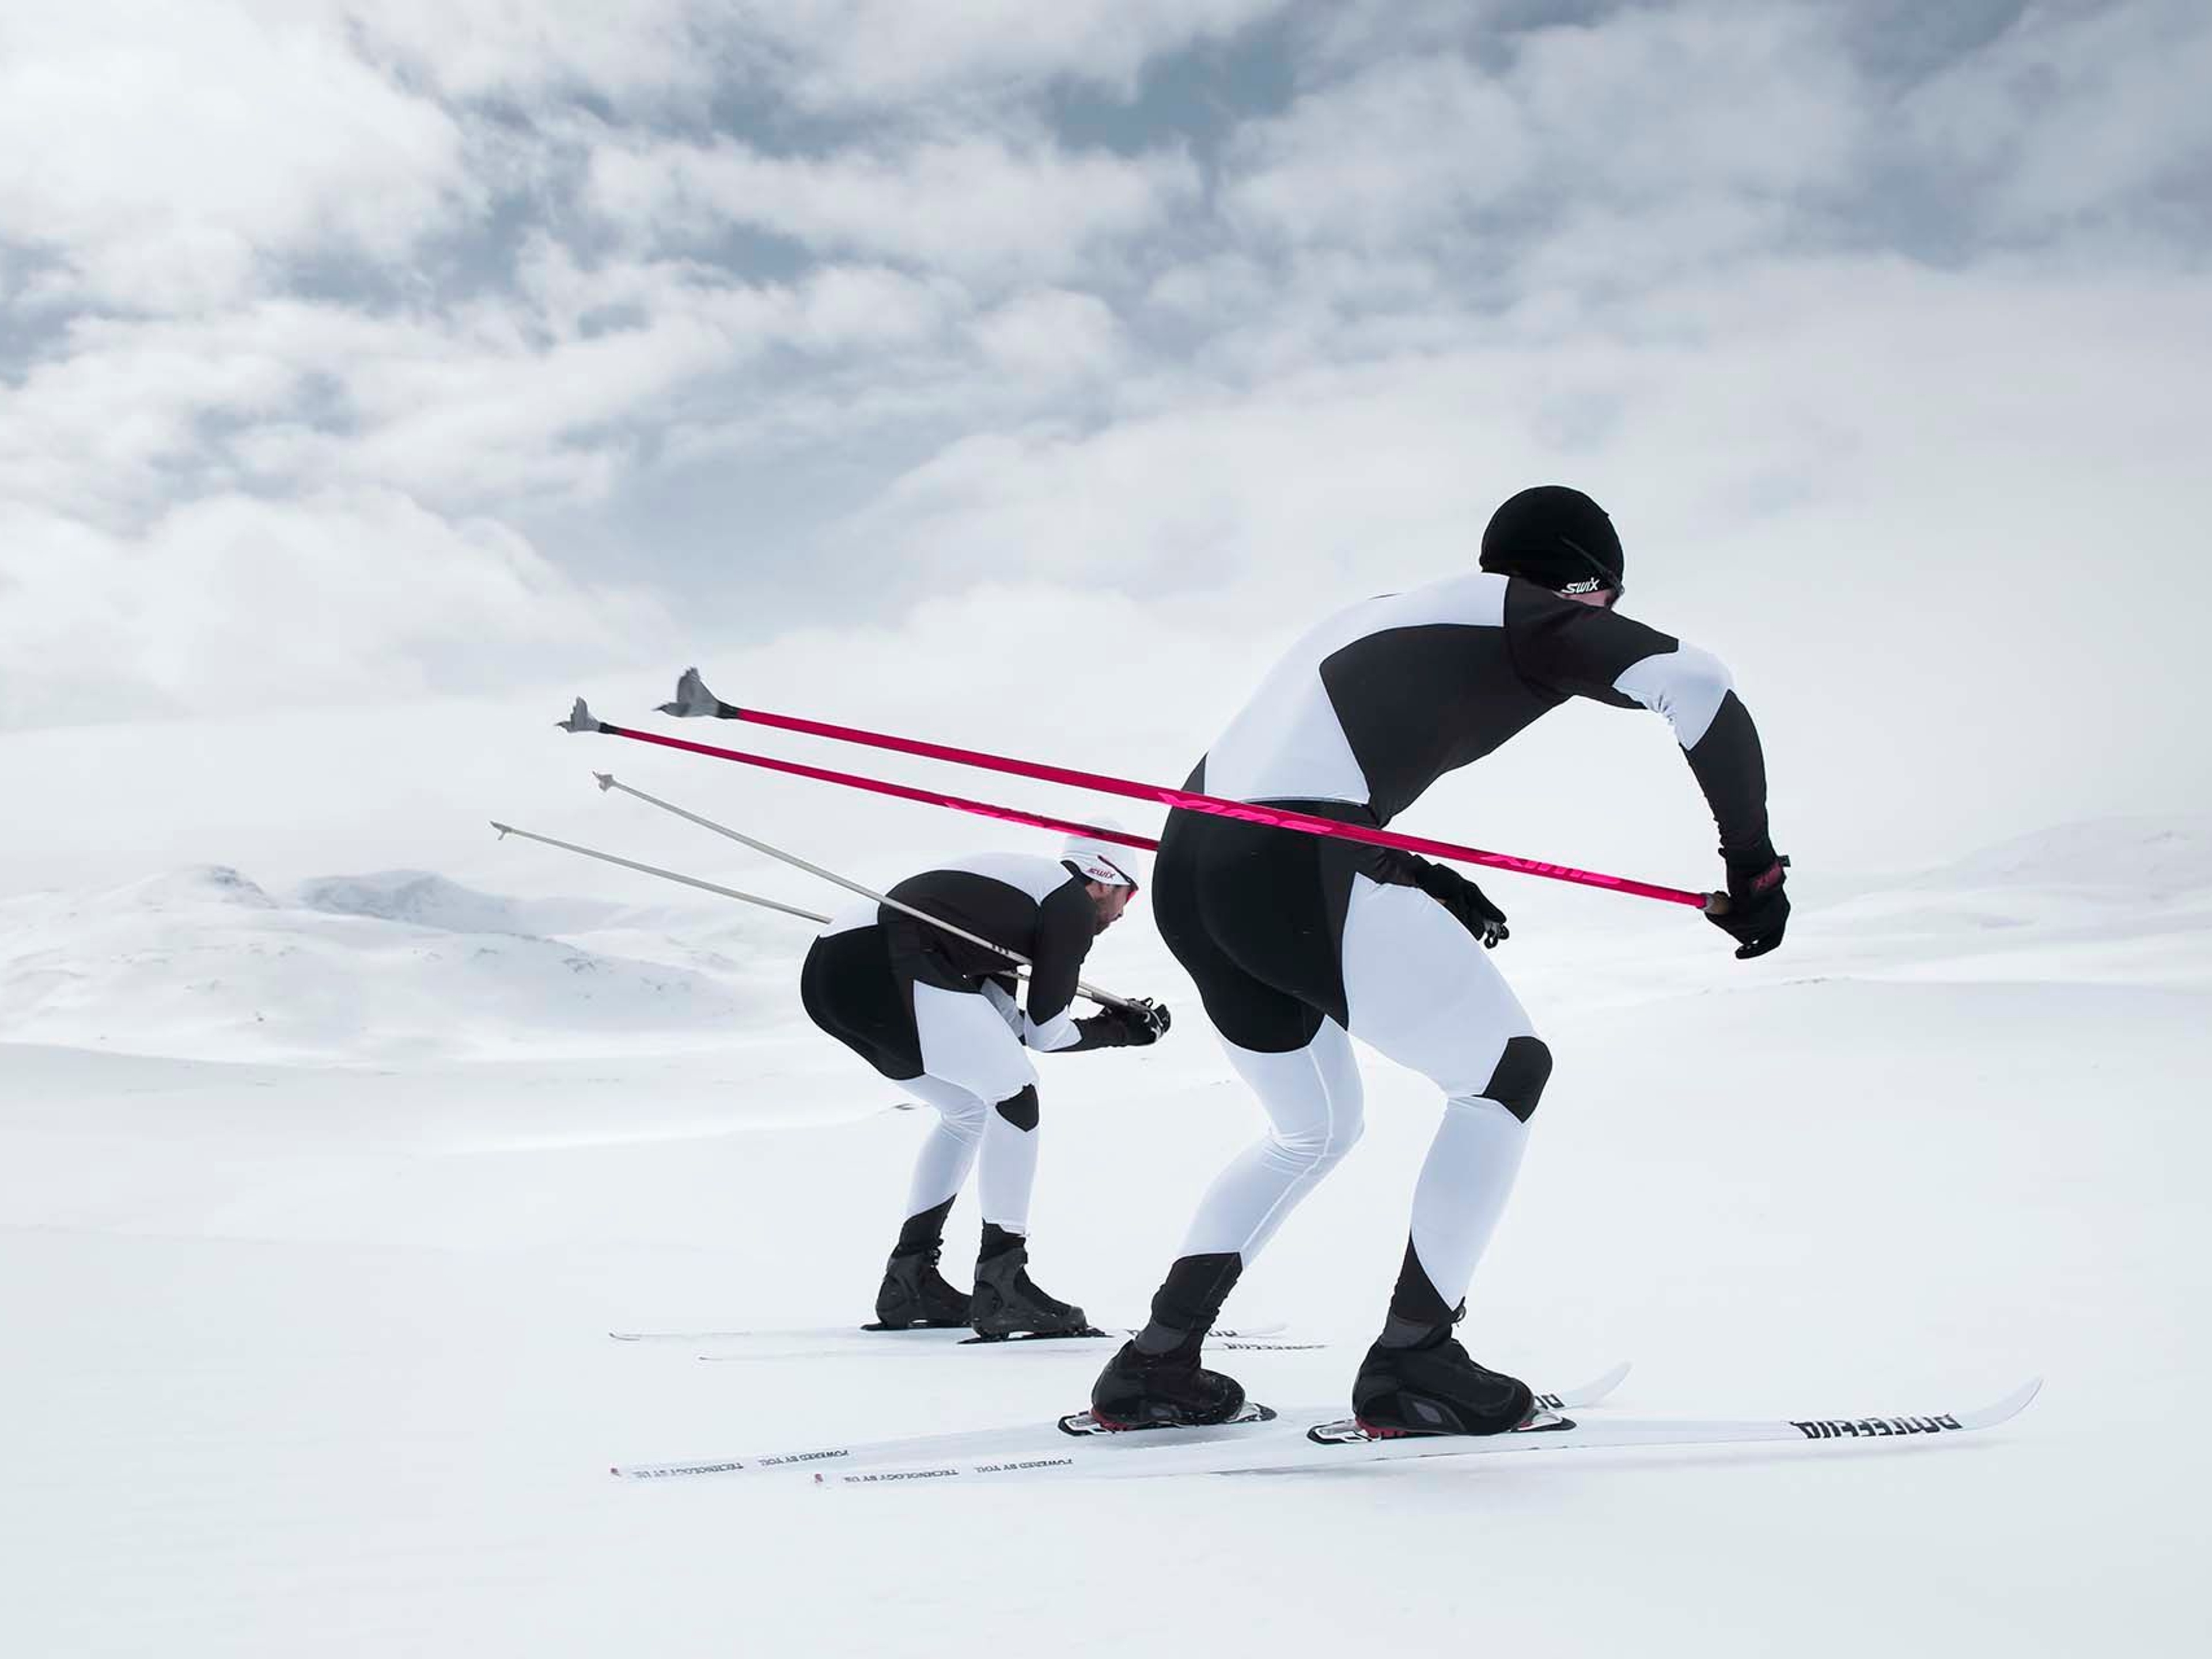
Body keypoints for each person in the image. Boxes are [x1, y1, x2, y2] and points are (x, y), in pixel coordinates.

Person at [1089, 484, 1788, 1434]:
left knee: (1312, 1131)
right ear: (1590, 588)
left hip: (1195, 872)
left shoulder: (1381, 612)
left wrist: (1402, 867)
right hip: (1291, 868)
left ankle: (1156, 1364)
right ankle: (1416, 1360)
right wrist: (1752, 867)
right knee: (1506, 1073)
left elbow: (1295, 764)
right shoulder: (1531, 614)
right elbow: (1698, 683)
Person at [801, 832, 1171, 1339]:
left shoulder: (1013, 898)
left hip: (834, 974)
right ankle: (1004, 1285)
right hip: (894, 958)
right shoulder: (1069, 903)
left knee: (968, 1110)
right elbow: (1047, 1034)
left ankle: (910, 1280)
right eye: (1128, 896)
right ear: (1104, 881)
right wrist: (1121, 1033)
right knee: (1015, 1093)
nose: (1123, 914)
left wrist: (1114, 1026)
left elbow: (1005, 1021)